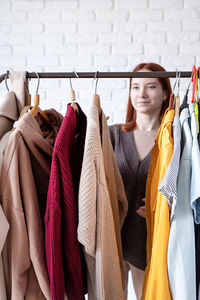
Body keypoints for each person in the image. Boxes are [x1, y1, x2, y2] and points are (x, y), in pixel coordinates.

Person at [109, 62, 172, 300]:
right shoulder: (112, 135)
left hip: (149, 245)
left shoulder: (172, 139)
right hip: (112, 242)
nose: (141, 94)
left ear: (166, 92)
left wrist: (160, 207)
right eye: (135, 87)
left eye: (150, 87)